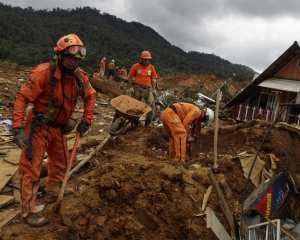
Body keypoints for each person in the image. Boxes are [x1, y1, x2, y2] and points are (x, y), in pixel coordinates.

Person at [10, 33, 96, 227]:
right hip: (37, 127)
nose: (73, 62)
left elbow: (90, 96)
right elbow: (22, 98)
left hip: (58, 128)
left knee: (61, 161)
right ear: (60, 55)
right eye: (70, 58)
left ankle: (52, 192)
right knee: (31, 168)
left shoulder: (80, 77)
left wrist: (87, 120)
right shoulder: (43, 74)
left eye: (77, 59)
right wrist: (16, 127)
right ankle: (29, 211)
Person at [128, 51, 158, 126]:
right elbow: (130, 77)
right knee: (136, 105)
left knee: (152, 105)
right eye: (145, 59)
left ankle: (148, 123)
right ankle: (135, 122)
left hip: (148, 89)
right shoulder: (135, 66)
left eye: (148, 59)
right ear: (141, 59)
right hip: (138, 87)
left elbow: (154, 79)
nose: (146, 61)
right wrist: (131, 87)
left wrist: (154, 89)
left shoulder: (151, 68)